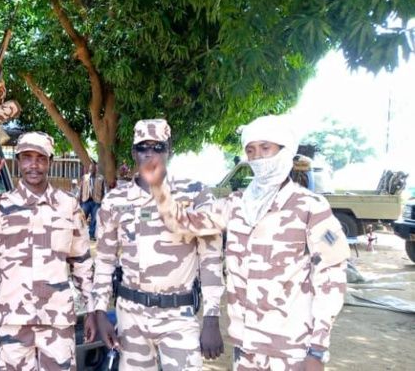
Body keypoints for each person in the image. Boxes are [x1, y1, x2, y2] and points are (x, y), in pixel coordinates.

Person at [141, 115, 350, 370]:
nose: (258, 157)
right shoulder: (237, 205)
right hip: (246, 347)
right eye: (251, 150)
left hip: (291, 349)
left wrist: (317, 351)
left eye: (266, 148)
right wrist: (159, 188)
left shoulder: (310, 208)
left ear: (285, 151)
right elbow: (182, 223)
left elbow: (330, 279)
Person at [0, 132, 96, 370]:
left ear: (50, 161)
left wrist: (92, 310)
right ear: (18, 161)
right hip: (13, 322)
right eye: (27, 157)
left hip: (56, 321)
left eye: (40, 158)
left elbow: (82, 262)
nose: (34, 164)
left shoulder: (68, 206)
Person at [90, 119, 224, 371]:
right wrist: (99, 310)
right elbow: (105, 259)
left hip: (179, 316)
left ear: (169, 149)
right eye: (142, 147)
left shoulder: (194, 194)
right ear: (133, 152)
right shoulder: (115, 200)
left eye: (158, 147)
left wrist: (212, 317)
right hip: (131, 317)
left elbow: (210, 258)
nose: (149, 153)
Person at [78, 161, 105, 239]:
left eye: (94, 167)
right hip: (85, 201)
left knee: (94, 219)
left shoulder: (101, 178)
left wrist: (102, 201)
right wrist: (80, 201)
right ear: (89, 168)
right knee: (82, 218)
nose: (92, 169)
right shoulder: (84, 177)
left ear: (96, 169)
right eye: (91, 167)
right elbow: (81, 189)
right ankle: (81, 234)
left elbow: (103, 191)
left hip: (96, 201)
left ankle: (91, 235)